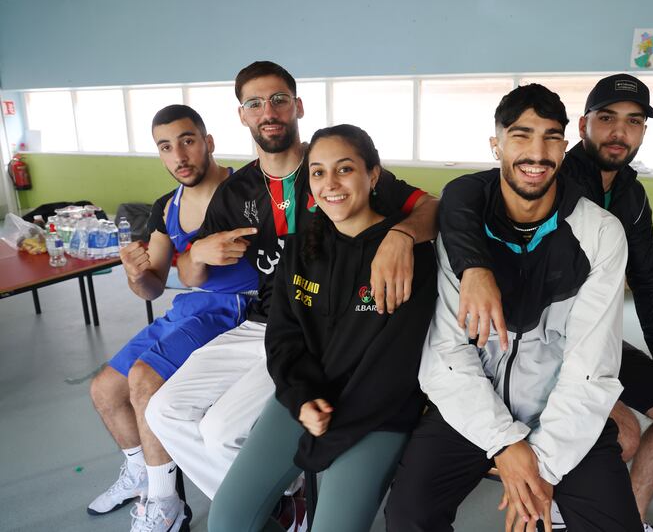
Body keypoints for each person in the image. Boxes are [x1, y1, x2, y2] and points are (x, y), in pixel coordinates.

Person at [145, 61, 437, 504]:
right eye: (255, 103)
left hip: (317, 327)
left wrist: (401, 235)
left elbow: (431, 207)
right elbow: (188, 275)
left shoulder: (334, 164)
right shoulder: (235, 191)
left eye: (279, 99)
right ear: (242, 115)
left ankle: (280, 497)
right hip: (262, 323)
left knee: (221, 430)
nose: (269, 111)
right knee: (162, 412)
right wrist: (195, 256)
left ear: (298, 106)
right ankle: (281, 504)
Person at [436, 73, 653, 530]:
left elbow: (647, 278)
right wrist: (472, 266)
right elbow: (464, 194)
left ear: (643, 130)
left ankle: (634, 515)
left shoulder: (631, 195)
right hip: (537, 342)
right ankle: (554, 506)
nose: (619, 132)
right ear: (581, 128)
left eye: (634, 121)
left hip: (593, 335)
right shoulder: (556, 174)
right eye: (607, 119)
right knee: (623, 434)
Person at [385, 83, 641, 532]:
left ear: (565, 145)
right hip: (473, 407)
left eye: (550, 137)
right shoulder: (463, 233)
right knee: (408, 517)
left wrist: (541, 469)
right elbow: (446, 355)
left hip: (559, 409)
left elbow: (591, 367)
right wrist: (506, 445)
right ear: (496, 144)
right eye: (521, 136)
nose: (536, 153)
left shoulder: (600, 233)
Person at [208, 124, 438, 532]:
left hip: (374, 413)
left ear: (373, 175)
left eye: (344, 169)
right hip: (305, 401)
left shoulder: (408, 256)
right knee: (227, 520)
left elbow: (395, 367)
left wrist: (322, 444)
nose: (330, 183)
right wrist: (300, 399)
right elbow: (283, 339)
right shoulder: (298, 250)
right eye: (318, 172)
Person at [88, 105, 258, 531]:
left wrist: (193, 259)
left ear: (208, 142)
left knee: (144, 379)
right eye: (166, 147)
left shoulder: (246, 192)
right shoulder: (167, 207)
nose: (179, 156)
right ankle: (140, 476)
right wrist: (135, 272)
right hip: (188, 309)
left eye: (187, 141)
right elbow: (153, 287)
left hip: (236, 308)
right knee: (105, 388)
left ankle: (167, 505)